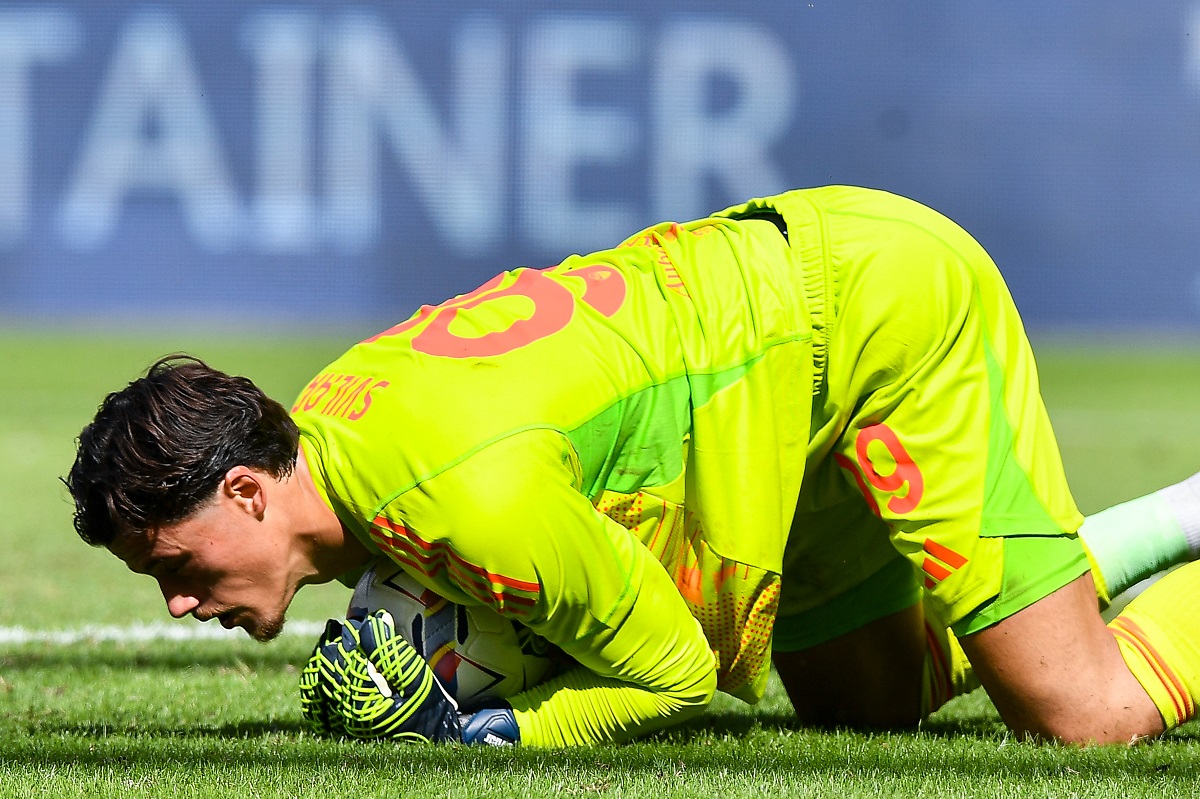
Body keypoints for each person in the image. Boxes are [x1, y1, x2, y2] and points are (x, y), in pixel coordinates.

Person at [65, 186, 1200, 747]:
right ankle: (1174, 519)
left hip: (871, 317)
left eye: (172, 560)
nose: (175, 599)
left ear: (248, 489)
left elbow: (670, 672)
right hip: (774, 368)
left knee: (1082, 715)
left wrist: (496, 732)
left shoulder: (457, 498)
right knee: (869, 707)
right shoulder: (334, 423)